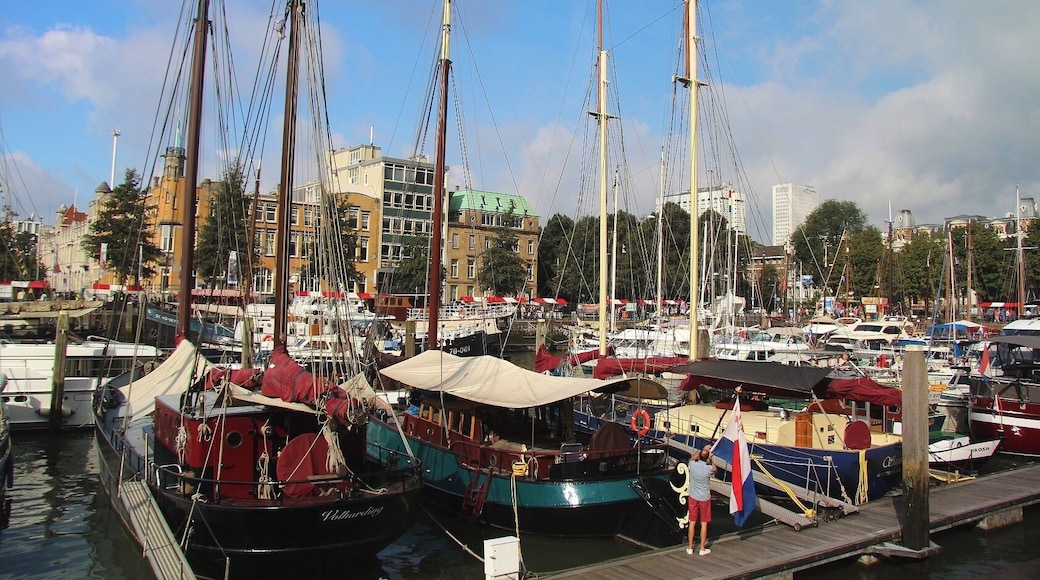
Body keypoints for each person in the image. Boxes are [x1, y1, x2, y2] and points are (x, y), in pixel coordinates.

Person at [687, 444, 716, 556]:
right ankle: (702, 549)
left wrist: (702, 450)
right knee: (704, 524)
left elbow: (691, 459)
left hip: (693, 496)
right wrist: (710, 458)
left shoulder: (692, 465)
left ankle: (690, 547)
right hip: (704, 498)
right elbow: (715, 469)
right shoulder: (708, 469)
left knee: (692, 522)